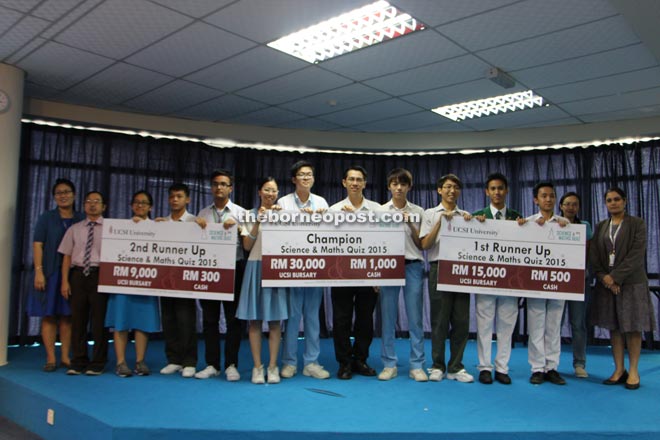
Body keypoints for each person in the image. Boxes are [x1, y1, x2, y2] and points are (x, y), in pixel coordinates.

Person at [589, 187, 656, 390]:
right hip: (606, 285)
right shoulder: (601, 226)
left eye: (617, 199)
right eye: (609, 200)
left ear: (625, 201)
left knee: (633, 327)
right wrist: (605, 278)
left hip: (632, 282)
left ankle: (633, 371)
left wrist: (615, 277)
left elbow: (636, 254)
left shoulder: (637, 224)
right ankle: (619, 370)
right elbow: (595, 257)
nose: (613, 203)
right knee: (614, 328)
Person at [278, 160, 330, 380]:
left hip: (316, 268)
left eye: (309, 174)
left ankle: (311, 362)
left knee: (312, 317)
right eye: (301, 174)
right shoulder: (283, 202)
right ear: (294, 179)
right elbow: (277, 233)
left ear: (314, 179)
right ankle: (289, 362)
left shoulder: (321, 202)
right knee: (291, 316)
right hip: (291, 267)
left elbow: (330, 234)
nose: (306, 178)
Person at [420, 174, 474, 383]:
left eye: (456, 188)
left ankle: (456, 367)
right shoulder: (430, 214)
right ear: (439, 190)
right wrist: (441, 223)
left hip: (461, 270)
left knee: (461, 321)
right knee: (440, 320)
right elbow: (425, 245)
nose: (452, 191)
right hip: (439, 267)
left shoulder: (466, 215)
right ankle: (437, 365)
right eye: (448, 187)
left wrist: (476, 224)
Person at [329, 165, 381, 380]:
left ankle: (360, 359)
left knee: (365, 320)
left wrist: (379, 275)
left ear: (365, 183)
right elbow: (327, 243)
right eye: (351, 179)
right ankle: (344, 363)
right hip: (340, 274)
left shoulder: (377, 209)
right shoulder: (334, 210)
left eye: (359, 179)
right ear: (344, 182)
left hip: (368, 273)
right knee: (341, 320)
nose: (355, 183)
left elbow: (382, 243)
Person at [196, 169, 246, 381]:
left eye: (224, 184)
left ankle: (231, 364)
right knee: (210, 319)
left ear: (230, 188)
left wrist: (239, 228)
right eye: (216, 184)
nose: (219, 187)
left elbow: (248, 243)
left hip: (234, 268)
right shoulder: (202, 214)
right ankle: (212, 364)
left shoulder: (241, 212)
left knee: (234, 319)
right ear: (211, 187)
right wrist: (194, 228)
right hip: (209, 271)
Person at [30, 178, 85, 372]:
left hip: (74, 275)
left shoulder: (81, 218)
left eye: (67, 192)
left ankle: (65, 357)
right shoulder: (46, 218)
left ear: (74, 195)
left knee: (67, 317)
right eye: (59, 193)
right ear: (54, 197)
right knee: (49, 315)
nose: (63, 196)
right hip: (49, 272)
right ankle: (51, 358)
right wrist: (39, 271)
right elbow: (38, 244)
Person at [237, 177, 288, 384]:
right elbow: (247, 246)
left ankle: (273, 366)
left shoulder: (284, 216)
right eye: (267, 190)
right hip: (255, 267)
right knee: (255, 320)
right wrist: (258, 220)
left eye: (274, 191)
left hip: (276, 269)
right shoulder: (248, 215)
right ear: (259, 192)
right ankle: (258, 367)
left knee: (275, 322)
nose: (270, 194)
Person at [472, 173, 522, 385]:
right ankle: (484, 367)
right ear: (487, 192)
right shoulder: (477, 216)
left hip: (509, 281)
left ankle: (502, 367)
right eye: (493, 188)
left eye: (501, 188)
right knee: (484, 325)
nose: (497, 192)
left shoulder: (517, 217)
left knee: (506, 326)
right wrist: (473, 225)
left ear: (506, 190)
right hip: (485, 279)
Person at [517, 182, 569, 385]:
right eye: (544, 196)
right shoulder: (527, 223)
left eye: (551, 196)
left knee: (554, 326)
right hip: (535, 282)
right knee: (536, 326)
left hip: (558, 281)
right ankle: (537, 367)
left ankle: (552, 367)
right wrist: (521, 229)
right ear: (535, 200)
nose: (548, 199)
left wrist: (567, 230)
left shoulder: (565, 223)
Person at [378, 168, 427, 382]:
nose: (399, 188)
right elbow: (376, 244)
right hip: (388, 267)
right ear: (389, 186)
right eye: (395, 184)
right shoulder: (379, 211)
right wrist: (376, 276)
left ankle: (417, 365)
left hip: (413, 265)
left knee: (415, 318)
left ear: (409, 187)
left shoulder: (418, 211)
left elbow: (421, 244)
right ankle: (389, 364)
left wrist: (410, 223)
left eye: (403, 184)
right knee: (387, 318)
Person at [105, 190, 161, 377]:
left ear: (150, 207)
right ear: (131, 205)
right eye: (136, 202)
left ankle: (140, 361)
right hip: (122, 281)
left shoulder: (158, 227)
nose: (140, 206)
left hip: (147, 282)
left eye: (144, 203)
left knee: (142, 322)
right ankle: (120, 362)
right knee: (121, 322)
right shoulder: (119, 227)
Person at [59, 191, 108, 375]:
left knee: (99, 321)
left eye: (96, 201)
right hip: (78, 275)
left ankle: (98, 361)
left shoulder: (111, 229)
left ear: (104, 206)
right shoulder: (74, 228)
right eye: (88, 201)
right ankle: (78, 360)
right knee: (78, 320)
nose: (92, 204)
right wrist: (65, 281)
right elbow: (66, 256)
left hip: (100, 275)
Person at [157, 183, 202, 378]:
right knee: (168, 320)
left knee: (186, 320)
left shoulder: (196, 221)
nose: (175, 199)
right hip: (165, 279)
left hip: (186, 280)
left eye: (179, 196)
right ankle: (173, 359)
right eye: (172, 196)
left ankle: (189, 361)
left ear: (188, 199)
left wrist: (204, 229)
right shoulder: (161, 223)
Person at [558, 191, 593, 378]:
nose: (571, 207)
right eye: (567, 204)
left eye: (575, 204)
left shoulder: (585, 227)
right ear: (561, 206)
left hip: (579, 282)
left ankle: (580, 364)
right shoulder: (552, 224)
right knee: (554, 323)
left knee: (578, 324)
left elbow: (591, 254)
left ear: (578, 207)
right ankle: (551, 363)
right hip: (558, 282)